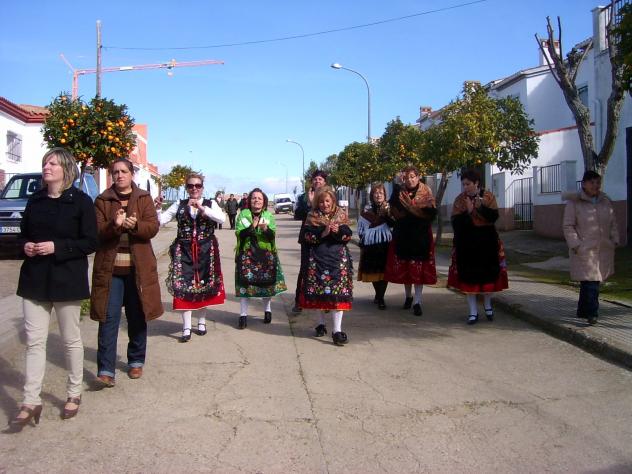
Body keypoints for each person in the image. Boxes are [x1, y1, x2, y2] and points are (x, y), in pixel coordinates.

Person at [11, 148, 97, 426]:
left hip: (67, 279)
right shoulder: (35, 200)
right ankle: (30, 400)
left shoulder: (81, 202)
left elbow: (90, 242)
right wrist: (26, 245)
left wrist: (57, 247)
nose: (46, 167)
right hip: (34, 279)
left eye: (53, 163)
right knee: (35, 342)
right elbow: (23, 234)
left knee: (71, 340)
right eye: (45, 163)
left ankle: (73, 393)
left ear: (66, 169)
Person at [91, 158, 163, 387]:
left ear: (132, 174)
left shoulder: (143, 198)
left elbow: (153, 227)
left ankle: (136, 361)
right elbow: (96, 232)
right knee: (108, 318)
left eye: (123, 171)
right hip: (110, 271)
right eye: (115, 172)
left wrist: (136, 225)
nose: (119, 175)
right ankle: (105, 369)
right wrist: (114, 224)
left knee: (137, 316)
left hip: (138, 270)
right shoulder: (102, 200)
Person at [157, 173, 226, 342]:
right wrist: (158, 208)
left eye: (197, 185)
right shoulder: (179, 204)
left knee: (204, 284)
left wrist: (203, 209)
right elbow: (161, 221)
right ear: (186, 188)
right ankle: (186, 326)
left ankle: (201, 321)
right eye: (190, 186)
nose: (194, 188)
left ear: (202, 187)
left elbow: (222, 219)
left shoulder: (210, 203)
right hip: (184, 250)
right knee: (183, 285)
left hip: (206, 249)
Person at [447, 169, 508, 324]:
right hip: (467, 244)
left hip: (487, 242)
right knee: (469, 278)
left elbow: (493, 217)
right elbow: (455, 223)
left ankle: (488, 305)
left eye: (468, 184)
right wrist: (468, 212)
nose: (465, 187)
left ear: (476, 183)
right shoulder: (460, 200)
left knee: (488, 277)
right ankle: (473, 311)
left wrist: (478, 209)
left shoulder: (488, 197)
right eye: (463, 184)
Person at [563, 170, 619, 326]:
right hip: (585, 249)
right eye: (592, 182)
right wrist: (576, 244)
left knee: (589, 281)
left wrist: (614, 239)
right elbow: (568, 226)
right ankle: (592, 314)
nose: (595, 185)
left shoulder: (605, 201)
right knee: (592, 281)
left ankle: (582, 311)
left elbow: (613, 222)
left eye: (598, 182)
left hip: (603, 248)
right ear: (584, 184)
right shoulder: (574, 203)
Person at [299, 186, 353, 346]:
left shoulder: (341, 215)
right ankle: (321, 324)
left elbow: (348, 235)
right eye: (321, 201)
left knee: (338, 295)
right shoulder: (312, 216)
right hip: (318, 260)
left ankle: (337, 331)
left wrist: (337, 231)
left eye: (327, 201)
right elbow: (306, 236)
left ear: (333, 201)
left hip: (338, 261)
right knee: (319, 293)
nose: (325, 204)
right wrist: (323, 232)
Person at [384, 165, 437, 316]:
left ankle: (417, 302)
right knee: (406, 268)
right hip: (403, 234)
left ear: (418, 177)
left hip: (420, 235)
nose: (410, 180)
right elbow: (393, 209)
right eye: (407, 177)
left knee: (418, 269)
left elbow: (432, 213)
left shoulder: (426, 191)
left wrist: (415, 211)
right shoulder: (399, 191)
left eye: (412, 177)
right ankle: (408, 297)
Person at [234, 188, 287, 329]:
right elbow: (239, 233)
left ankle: (267, 310)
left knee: (266, 284)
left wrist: (265, 229)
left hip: (265, 255)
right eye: (254, 198)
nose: (256, 200)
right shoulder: (243, 214)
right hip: (246, 255)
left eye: (259, 198)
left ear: (264, 202)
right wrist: (252, 227)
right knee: (245, 285)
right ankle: (243, 315)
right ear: (249, 201)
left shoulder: (268, 216)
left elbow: (272, 235)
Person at [292, 170, 328, 313]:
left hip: (325, 237)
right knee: (305, 269)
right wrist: (309, 203)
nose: (317, 181)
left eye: (320, 179)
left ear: (325, 182)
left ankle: (325, 300)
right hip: (307, 238)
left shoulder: (329, 196)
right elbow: (297, 215)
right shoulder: (303, 197)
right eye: (315, 179)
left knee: (325, 268)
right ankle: (299, 302)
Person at [357, 183, 392, 310]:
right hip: (370, 247)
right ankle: (378, 293)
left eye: (381, 193)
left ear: (384, 195)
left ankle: (381, 298)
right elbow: (361, 230)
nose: (378, 195)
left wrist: (386, 215)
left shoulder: (390, 209)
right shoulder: (367, 211)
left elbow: (394, 224)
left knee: (383, 273)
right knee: (372, 272)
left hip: (385, 245)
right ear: (372, 195)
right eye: (376, 193)